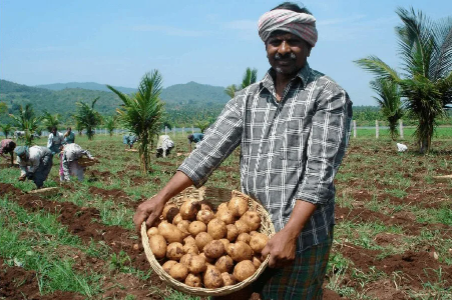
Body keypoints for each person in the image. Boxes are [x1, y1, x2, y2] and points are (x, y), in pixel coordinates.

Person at [133, 2, 352, 299]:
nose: (284, 49)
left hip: (302, 235)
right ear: (266, 45)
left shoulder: (327, 94)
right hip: (247, 233)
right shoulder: (247, 98)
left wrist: (289, 233)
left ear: (309, 46)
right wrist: (161, 197)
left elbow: (320, 172)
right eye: (275, 41)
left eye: (293, 41)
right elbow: (206, 152)